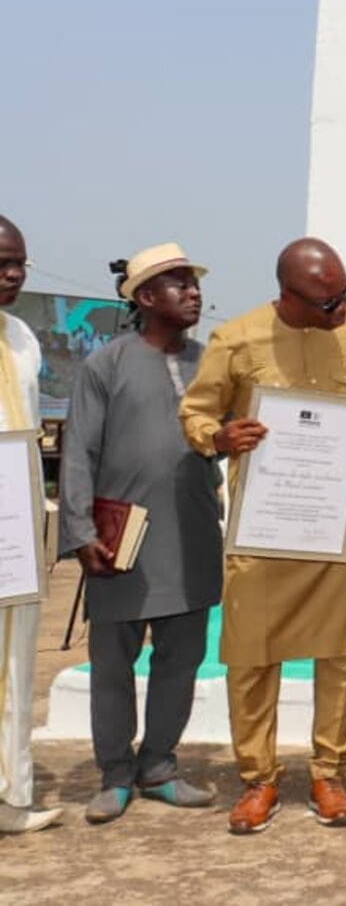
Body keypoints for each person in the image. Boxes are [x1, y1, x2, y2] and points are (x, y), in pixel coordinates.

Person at [179, 237, 346, 834]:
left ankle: (329, 773)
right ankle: (258, 780)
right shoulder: (236, 339)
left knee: (341, 653)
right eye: (327, 301)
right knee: (251, 655)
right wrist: (219, 438)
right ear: (289, 296)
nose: (340, 307)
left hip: (336, 521)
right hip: (264, 524)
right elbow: (196, 411)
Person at [60, 243, 223, 824]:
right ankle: (114, 773)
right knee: (111, 665)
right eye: (179, 284)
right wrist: (81, 533)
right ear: (146, 297)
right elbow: (77, 452)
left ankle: (158, 766)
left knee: (182, 661)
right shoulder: (106, 364)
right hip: (120, 542)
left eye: (195, 283)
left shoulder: (211, 363)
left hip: (194, 536)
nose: (194, 292)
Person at [0, 215, 63, 834]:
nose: (13, 274)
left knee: (17, 663)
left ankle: (11, 796)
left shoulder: (22, 337)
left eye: (19, 263)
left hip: (12, 531)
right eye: (1, 264)